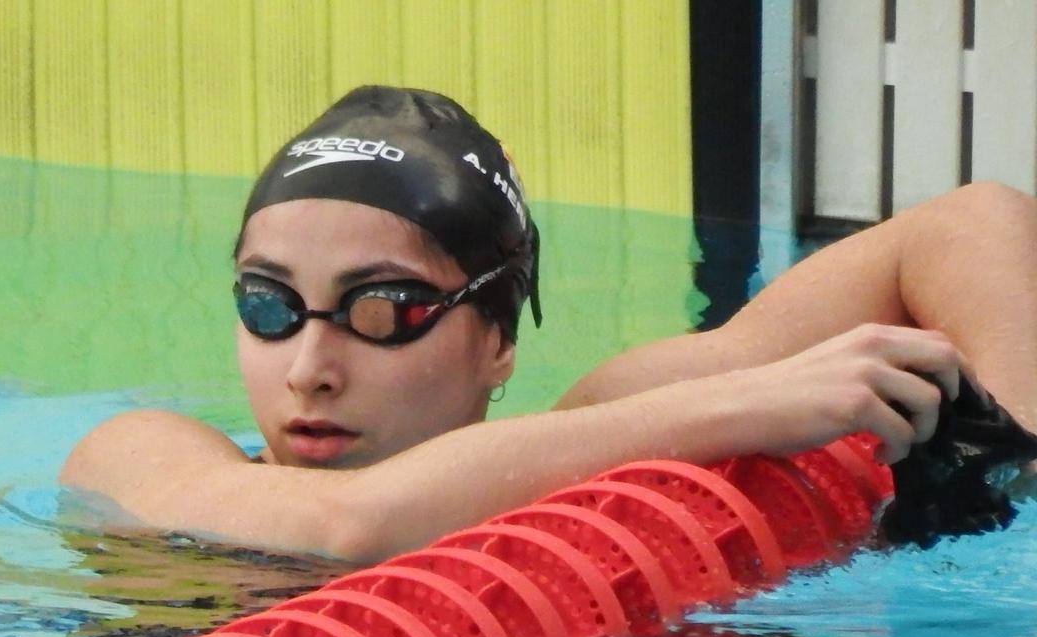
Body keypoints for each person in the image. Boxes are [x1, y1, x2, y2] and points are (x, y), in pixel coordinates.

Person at [59, 85, 1037, 564]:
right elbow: (339, 529)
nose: (310, 368)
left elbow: (968, 224)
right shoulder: (140, 454)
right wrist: (733, 406)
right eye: (269, 306)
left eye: (384, 312)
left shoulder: (593, 424)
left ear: (498, 340)